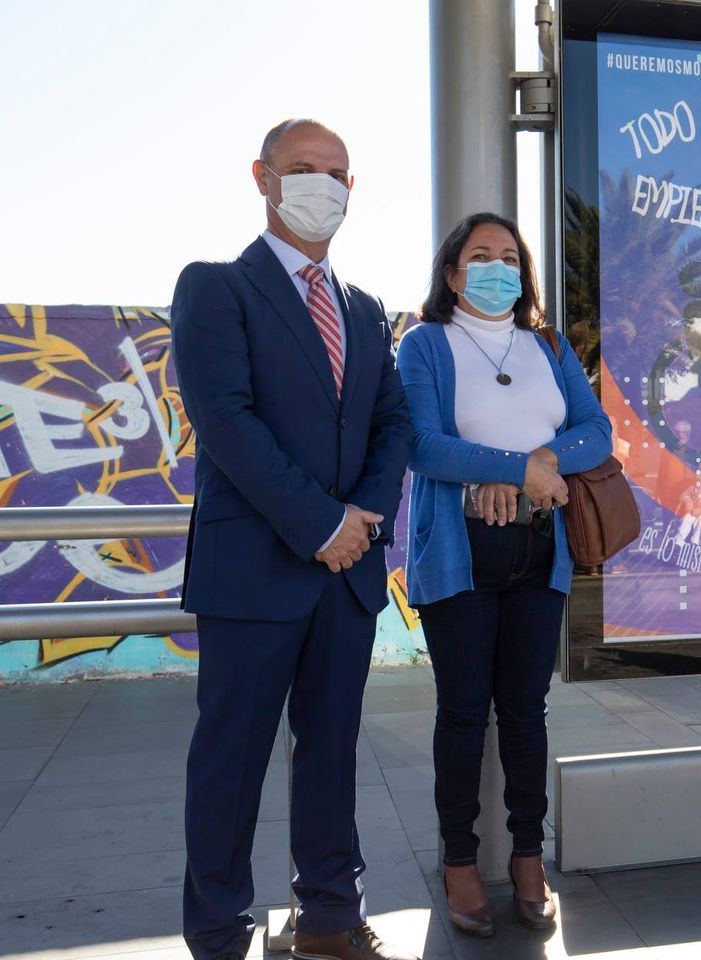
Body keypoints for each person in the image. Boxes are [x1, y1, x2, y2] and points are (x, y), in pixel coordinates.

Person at [171, 119, 413, 960]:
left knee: (332, 754)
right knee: (230, 762)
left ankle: (331, 918)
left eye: (336, 173)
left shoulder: (365, 309)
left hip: (346, 575)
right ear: (262, 177)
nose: (323, 185)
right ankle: (218, 935)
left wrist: (362, 519)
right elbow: (226, 422)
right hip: (253, 573)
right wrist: (322, 523)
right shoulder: (215, 288)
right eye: (303, 167)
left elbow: (392, 423)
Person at [396, 212, 611, 936]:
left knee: (525, 711)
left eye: (511, 257)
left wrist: (536, 468)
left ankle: (527, 857)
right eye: (481, 255)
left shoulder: (548, 345)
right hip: (460, 554)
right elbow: (423, 444)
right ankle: (459, 862)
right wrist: (518, 469)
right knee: (462, 712)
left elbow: (596, 433)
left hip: (539, 552)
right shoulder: (425, 344)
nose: (498, 267)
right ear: (452, 273)